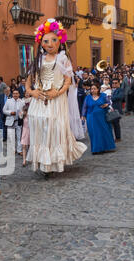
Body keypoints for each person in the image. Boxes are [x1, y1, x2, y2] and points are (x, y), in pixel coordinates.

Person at [26, 19, 87, 178]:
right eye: (46, 41)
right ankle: (44, 163)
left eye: (54, 40)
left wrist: (57, 93)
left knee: (54, 129)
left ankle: (53, 163)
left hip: (56, 100)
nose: (50, 44)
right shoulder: (38, 59)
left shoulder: (62, 59)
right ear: (41, 42)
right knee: (40, 128)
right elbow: (28, 80)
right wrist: (31, 92)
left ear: (60, 41)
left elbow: (68, 81)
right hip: (39, 100)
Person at [81, 81, 116, 154]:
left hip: (102, 117)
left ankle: (104, 147)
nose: (92, 90)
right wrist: (83, 115)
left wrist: (106, 105)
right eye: (91, 89)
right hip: (91, 118)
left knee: (103, 131)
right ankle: (96, 149)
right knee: (94, 133)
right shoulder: (88, 97)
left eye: (94, 89)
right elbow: (84, 107)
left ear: (98, 89)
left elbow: (109, 102)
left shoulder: (103, 95)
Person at [3, 89, 24, 155]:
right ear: (12, 94)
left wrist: (22, 113)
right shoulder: (8, 101)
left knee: (19, 136)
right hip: (10, 120)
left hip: (18, 121)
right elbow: (4, 110)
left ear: (19, 94)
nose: (15, 95)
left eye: (17, 93)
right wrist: (10, 112)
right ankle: (12, 150)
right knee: (11, 136)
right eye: (14, 93)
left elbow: (23, 110)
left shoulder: (21, 101)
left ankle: (19, 150)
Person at [110, 78, 125, 142]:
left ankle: (118, 137)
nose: (114, 84)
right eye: (113, 83)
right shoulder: (111, 89)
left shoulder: (120, 90)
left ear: (119, 83)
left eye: (116, 83)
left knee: (116, 124)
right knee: (112, 124)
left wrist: (110, 97)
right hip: (111, 109)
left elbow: (120, 97)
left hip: (116, 109)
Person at [20, 99, 30, 167]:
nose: (24, 112)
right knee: (24, 146)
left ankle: (30, 158)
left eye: (25, 111)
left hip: (30, 131)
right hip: (24, 131)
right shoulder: (22, 116)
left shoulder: (30, 116)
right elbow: (20, 117)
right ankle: (24, 160)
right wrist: (22, 113)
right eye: (24, 111)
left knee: (30, 146)